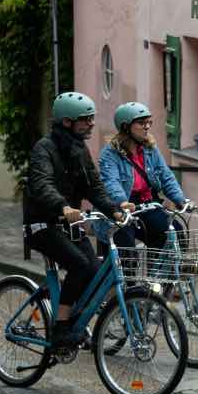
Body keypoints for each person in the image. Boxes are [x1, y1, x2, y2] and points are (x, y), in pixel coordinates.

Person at [24, 91, 126, 349]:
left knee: (93, 270)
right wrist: (63, 206)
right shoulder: (44, 149)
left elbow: (94, 186)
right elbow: (42, 183)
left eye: (92, 118)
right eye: (85, 119)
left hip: (67, 225)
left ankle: (72, 319)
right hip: (42, 224)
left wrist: (114, 209)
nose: (91, 123)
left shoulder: (79, 149)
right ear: (67, 122)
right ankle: (60, 328)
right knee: (80, 265)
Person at [97, 102, 189, 278]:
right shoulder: (110, 154)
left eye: (149, 122)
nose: (147, 127)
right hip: (123, 208)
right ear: (126, 126)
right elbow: (111, 182)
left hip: (146, 205)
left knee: (174, 231)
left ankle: (157, 285)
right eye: (141, 123)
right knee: (127, 252)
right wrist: (122, 202)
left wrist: (180, 199)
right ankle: (127, 293)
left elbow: (165, 174)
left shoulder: (149, 149)